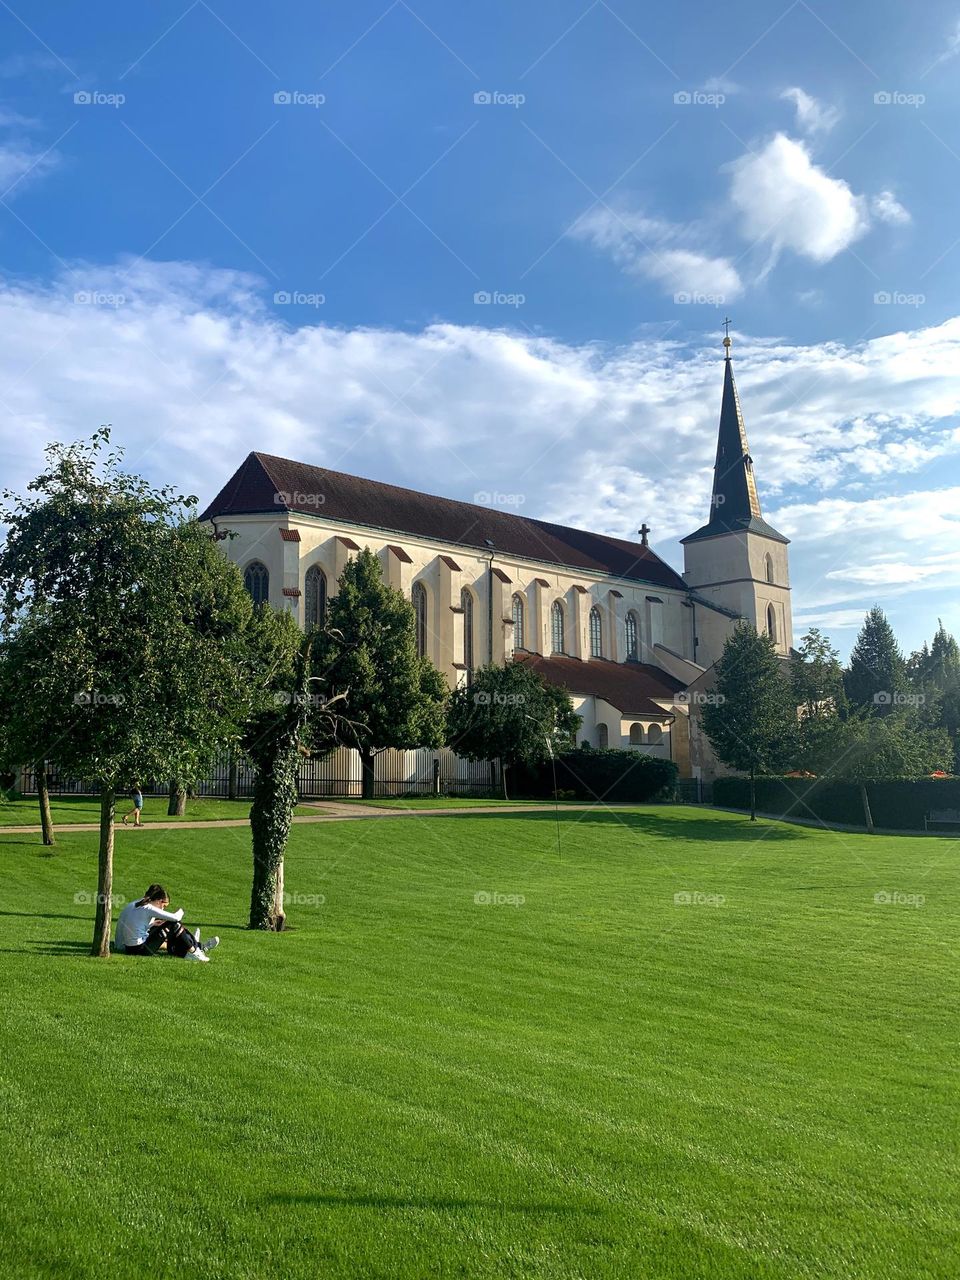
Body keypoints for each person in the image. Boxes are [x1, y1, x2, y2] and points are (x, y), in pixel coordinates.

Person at [114, 884, 219, 961]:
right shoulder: (148, 908)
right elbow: (176, 917)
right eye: (163, 906)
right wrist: (182, 910)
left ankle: (195, 947)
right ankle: (195, 950)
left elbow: (136, 927)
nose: (163, 909)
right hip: (139, 949)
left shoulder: (139, 904)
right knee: (174, 924)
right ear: (159, 901)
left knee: (169, 927)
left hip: (131, 948)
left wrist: (152, 924)